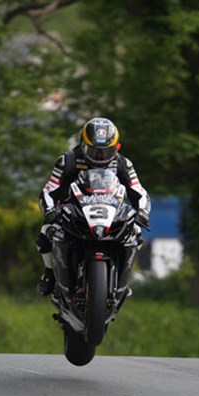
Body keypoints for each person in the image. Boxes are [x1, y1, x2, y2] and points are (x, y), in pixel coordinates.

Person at [36, 117, 151, 296]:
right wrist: (50, 210)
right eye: (94, 151)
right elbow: (48, 190)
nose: (100, 157)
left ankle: (123, 279)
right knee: (47, 230)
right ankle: (49, 273)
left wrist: (143, 211)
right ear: (83, 144)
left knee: (136, 232)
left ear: (117, 147)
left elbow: (139, 190)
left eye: (106, 152)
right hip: (74, 210)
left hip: (111, 211)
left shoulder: (124, 164)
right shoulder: (67, 161)